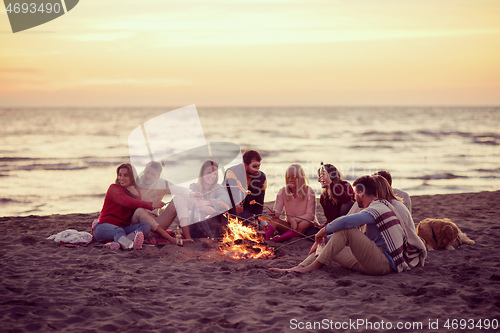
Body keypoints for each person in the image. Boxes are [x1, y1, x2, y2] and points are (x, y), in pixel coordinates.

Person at [269, 175, 418, 275]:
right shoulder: (374, 207)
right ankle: (299, 267)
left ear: (361, 194)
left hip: (383, 263)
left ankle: (311, 267)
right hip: (368, 261)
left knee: (345, 230)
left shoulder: (378, 208)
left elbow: (346, 221)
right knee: (329, 241)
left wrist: (323, 231)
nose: (353, 196)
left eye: (354, 193)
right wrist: (325, 237)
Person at [93, 163, 164, 250]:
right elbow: (129, 202)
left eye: (125, 175)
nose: (121, 178)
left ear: (132, 177)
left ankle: (119, 243)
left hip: (122, 228)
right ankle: (130, 245)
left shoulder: (133, 193)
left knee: (146, 226)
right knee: (118, 230)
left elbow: (136, 206)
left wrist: (136, 195)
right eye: (120, 175)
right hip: (102, 228)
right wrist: (151, 204)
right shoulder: (114, 188)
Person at [131, 161, 194, 244]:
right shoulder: (135, 183)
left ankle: (188, 237)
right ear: (144, 170)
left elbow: (180, 189)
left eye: (153, 175)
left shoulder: (161, 184)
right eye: (147, 172)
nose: (148, 176)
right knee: (139, 210)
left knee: (179, 198)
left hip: (157, 225)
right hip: (138, 224)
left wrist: (191, 193)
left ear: (158, 177)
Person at [178, 160, 231, 240]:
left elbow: (226, 199)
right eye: (209, 173)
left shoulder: (218, 187)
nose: (212, 176)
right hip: (196, 225)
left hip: (213, 225)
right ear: (202, 173)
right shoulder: (194, 187)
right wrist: (205, 208)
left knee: (223, 208)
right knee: (199, 211)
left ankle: (218, 235)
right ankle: (203, 236)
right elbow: (188, 201)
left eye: (215, 174)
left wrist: (208, 202)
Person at [266, 164, 318, 242]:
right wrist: (273, 213)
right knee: (274, 220)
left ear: (300, 178)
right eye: (287, 177)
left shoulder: (309, 191)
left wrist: (295, 220)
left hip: (305, 226)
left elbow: (310, 215)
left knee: (307, 222)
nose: (290, 180)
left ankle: (277, 239)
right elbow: (277, 213)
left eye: (293, 177)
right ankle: (264, 239)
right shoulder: (283, 191)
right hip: (290, 226)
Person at [224, 150, 267, 222]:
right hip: (229, 207)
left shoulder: (262, 178)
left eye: (259, 166)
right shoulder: (231, 172)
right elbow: (234, 195)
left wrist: (257, 219)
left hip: (247, 210)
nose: (257, 169)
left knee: (262, 226)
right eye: (254, 166)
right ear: (245, 165)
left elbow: (260, 202)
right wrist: (236, 205)